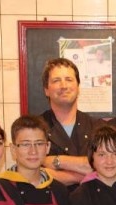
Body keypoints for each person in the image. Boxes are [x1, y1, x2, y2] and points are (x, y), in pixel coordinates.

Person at [41, 58, 106, 188]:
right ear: (46, 90)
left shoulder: (99, 126)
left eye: (69, 80)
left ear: (78, 87)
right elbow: (34, 173)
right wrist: (87, 175)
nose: (64, 86)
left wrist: (55, 161)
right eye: (56, 80)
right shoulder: (34, 128)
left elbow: (106, 165)